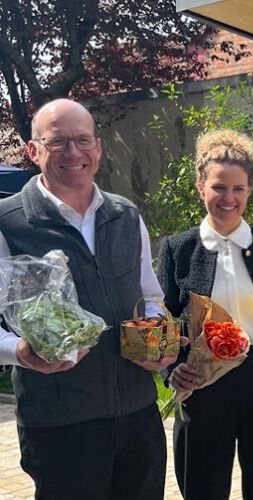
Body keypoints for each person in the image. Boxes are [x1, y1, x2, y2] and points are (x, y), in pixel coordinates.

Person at [0, 99, 174, 500]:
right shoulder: (8, 223)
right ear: (34, 151)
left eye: (82, 140)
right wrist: (19, 352)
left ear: (97, 147)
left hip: (138, 416)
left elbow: (150, 295)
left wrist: (158, 334)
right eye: (58, 141)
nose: (73, 152)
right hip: (59, 424)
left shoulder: (126, 215)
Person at [157, 129, 253, 499]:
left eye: (238, 188)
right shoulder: (178, 249)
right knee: (202, 488)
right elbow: (162, 321)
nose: (229, 198)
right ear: (200, 186)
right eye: (219, 187)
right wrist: (171, 370)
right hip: (203, 386)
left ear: (249, 189)